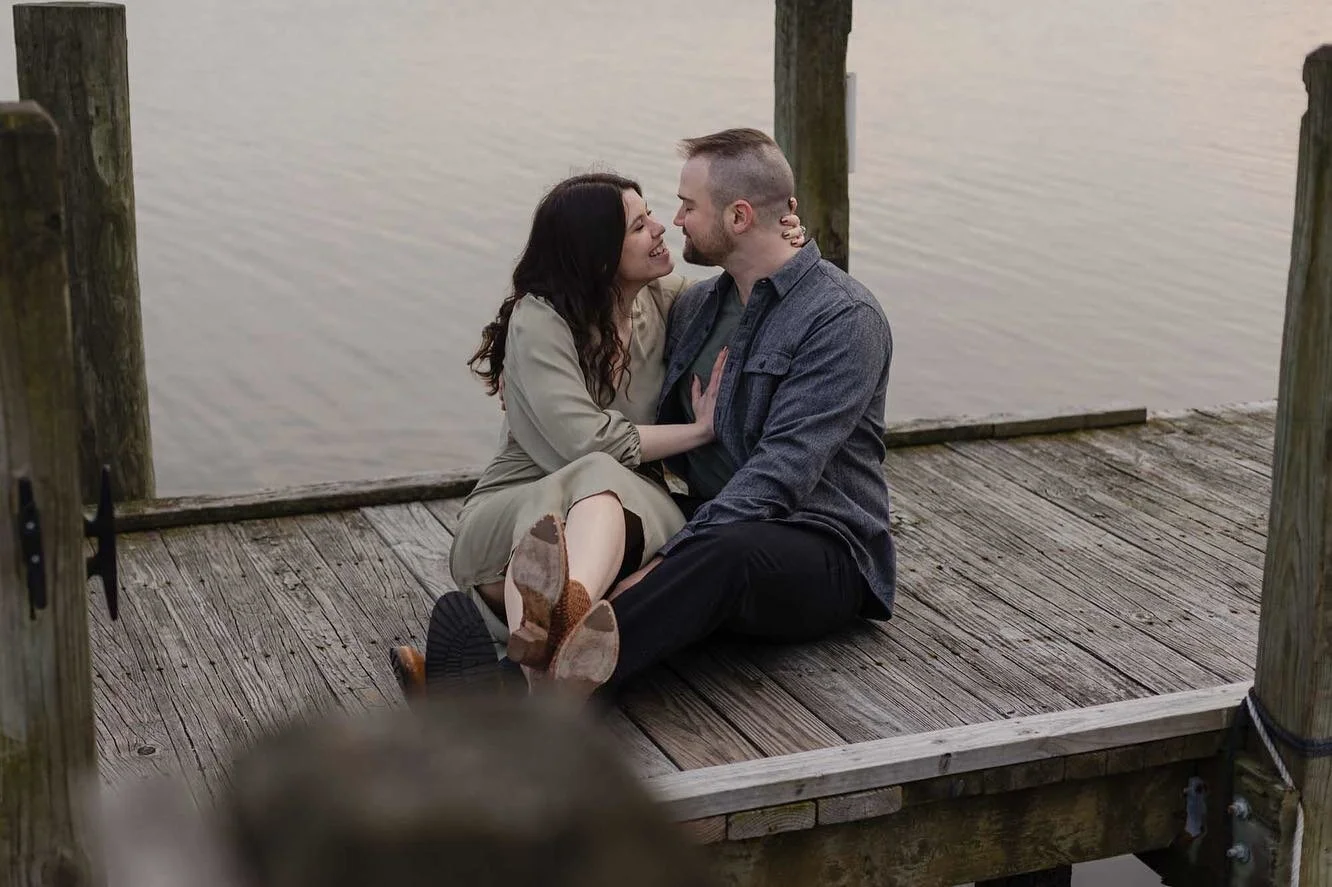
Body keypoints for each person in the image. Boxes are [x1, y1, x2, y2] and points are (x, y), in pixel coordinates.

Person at [390, 171, 806, 697]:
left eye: (653, 214)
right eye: (638, 226)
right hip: (512, 513)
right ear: (599, 254)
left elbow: (748, 286)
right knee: (596, 470)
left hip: (630, 515)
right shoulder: (538, 319)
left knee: (607, 487)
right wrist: (699, 431)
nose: (660, 228)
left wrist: (778, 236)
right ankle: (559, 624)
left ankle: (542, 637)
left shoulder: (664, 300)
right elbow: (586, 443)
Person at [600, 127, 896, 695]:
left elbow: (780, 475)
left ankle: (511, 695)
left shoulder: (842, 319)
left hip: (818, 546)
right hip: (706, 520)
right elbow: (597, 287)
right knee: (591, 531)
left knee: (722, 555)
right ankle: (475, 647)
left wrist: (666, 559)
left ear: (738, 218)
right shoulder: (694, 305)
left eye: (688, 206)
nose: (676, 220)